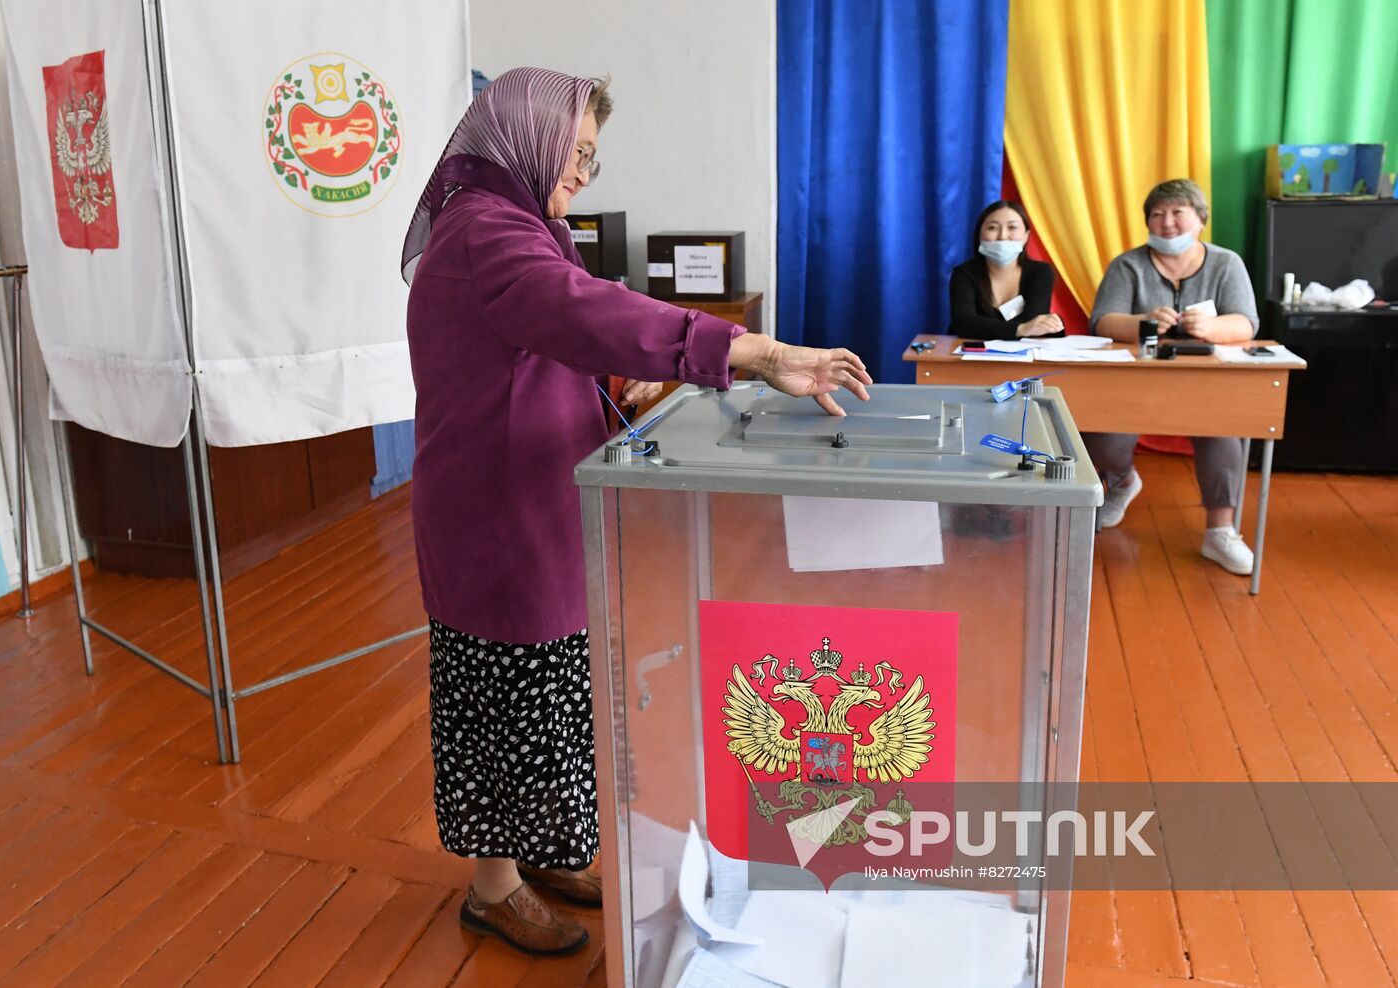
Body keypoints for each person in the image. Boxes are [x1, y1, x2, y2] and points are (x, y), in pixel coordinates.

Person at [400, 67, 872, 957]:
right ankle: (491, 887)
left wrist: (625, 379)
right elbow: (580, 311)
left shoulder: (521, 226)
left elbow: (548, 349)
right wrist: (751, 350)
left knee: (553, 689)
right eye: (574, 154)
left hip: (537, 497)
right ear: (523, 138)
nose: (580, 174)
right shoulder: (485, 233)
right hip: (496, 515)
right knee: (511, 695)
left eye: (591, 160)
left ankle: (536, 854)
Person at [1086, 178, 1258, 575]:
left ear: (1200, 220)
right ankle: (1124, 482)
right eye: (1157, 214)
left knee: (1222, 434)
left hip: (1207, 383)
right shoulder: (1127, 265)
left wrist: (1210, 328)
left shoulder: (1226, 263)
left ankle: (1221, 531)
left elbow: (1246, 323)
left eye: (1178, 213)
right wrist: (1144, 323)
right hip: (1134, 382)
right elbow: (1103, 321)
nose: (1167, 223)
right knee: (1102, 438)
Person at [947, 200, 1063, 340]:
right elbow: (963, 323)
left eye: (1012, 227)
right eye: (992, 228)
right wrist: (1022, 329)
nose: (1002, 236)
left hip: (1024, 357)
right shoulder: (964, 273)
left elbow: (1035, 323)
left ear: (1026, 236)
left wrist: (985, 328)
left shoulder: (1041, 272)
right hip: (972, 356)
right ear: (979, 235)